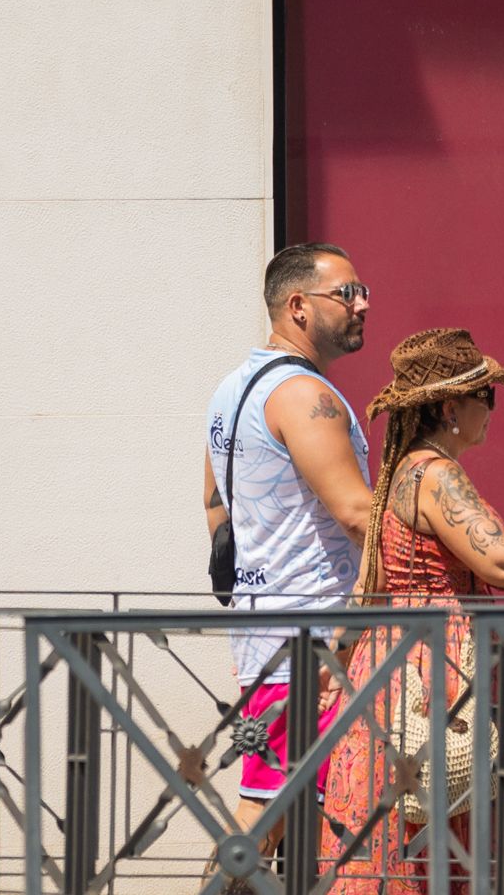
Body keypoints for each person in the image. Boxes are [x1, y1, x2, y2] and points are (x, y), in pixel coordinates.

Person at [318, 328, 504, 893]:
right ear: (449, 406)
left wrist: (338, 661)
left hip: (385, 667)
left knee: (399, 832)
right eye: (486, 397)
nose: (492, 411)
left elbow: (370, 585)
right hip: (433, 671)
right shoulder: (437, 475)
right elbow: (503, 565)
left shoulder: (400, 471)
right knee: (440, 820)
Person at [203, 242, 373, 854]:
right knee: (267, 818)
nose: (362, 305)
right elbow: (357, 513)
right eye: (348, 293)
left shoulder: (232, 389)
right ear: (298, 306)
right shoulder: (305, 396)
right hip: (316, 644)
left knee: (291, 817)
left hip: (267, 636)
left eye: (363, 293)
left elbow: (214, 506)